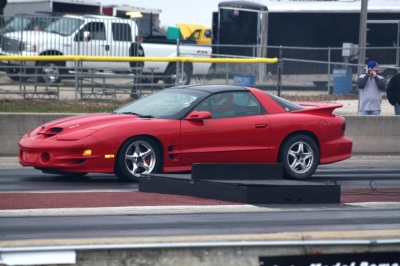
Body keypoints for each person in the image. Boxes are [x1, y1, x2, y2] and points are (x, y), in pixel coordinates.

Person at [129, 35, 145, 100]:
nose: (142, 40)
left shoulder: (140, 47)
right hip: (135, 65)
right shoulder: (133, 46)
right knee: (136, 79)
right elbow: (134, 56)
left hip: (139, 65)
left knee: (137, 79)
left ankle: (134, 92)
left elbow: (142, 56)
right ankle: (133, 93)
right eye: (141, 39)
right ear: (139, 39)